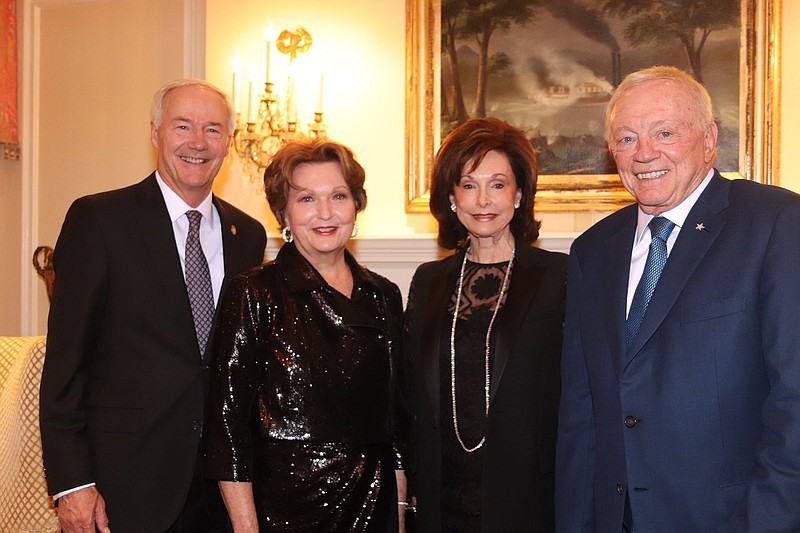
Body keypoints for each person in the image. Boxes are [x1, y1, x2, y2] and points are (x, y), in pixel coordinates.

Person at [555, 65, 800, 531]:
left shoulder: (776, 224)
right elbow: (581, 414)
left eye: (664, 132)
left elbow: (795, 401)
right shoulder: (593, 251)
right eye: (626, 139)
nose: (644, 153)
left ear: (709, 139)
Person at [39, 79, 267, 533]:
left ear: (228, 142)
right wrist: (73, 484)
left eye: (213, 129)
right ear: (155, 133)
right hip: (125, 487)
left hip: (223, 492)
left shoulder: (249, 235)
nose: (198, 142)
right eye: (183, 126)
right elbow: (65, 365)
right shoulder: (99, 221)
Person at [205, 139, 407, 532]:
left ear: (355, 205)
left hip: (374, 501)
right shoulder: (254, 292)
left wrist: (399, 513)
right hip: (286, 508)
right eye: (307, 200)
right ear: (283, 212)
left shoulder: (384, 295)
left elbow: (396, 421)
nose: (326, 213)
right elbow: (226, 427)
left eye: (338, 195)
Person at [405, 117, 567, 532]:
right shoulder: (429, 280)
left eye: (497, 184)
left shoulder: (558, 276)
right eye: (468, 184)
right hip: (443, 493)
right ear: (452, 197)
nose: (483, 200)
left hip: (528, 494)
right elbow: (410, 394)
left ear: (518, 195)